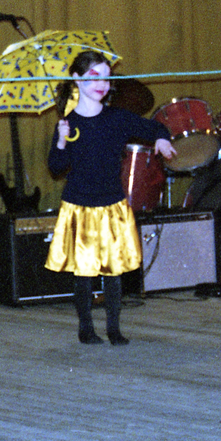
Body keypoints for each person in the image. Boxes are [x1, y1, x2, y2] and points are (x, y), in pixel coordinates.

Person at [45, 51, 176, 344]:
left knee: (114, 272)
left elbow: (153, 127)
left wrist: (162, 138)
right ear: (77, 80)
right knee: (84, 274)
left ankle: (114, 329)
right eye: (94, 76)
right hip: (79, 207)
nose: (102, 83)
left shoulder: (116, 118)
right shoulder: (68, 123)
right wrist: (62, 139)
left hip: (112, 205)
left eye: (106, 77)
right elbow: (55, 166)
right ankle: (86, 328)